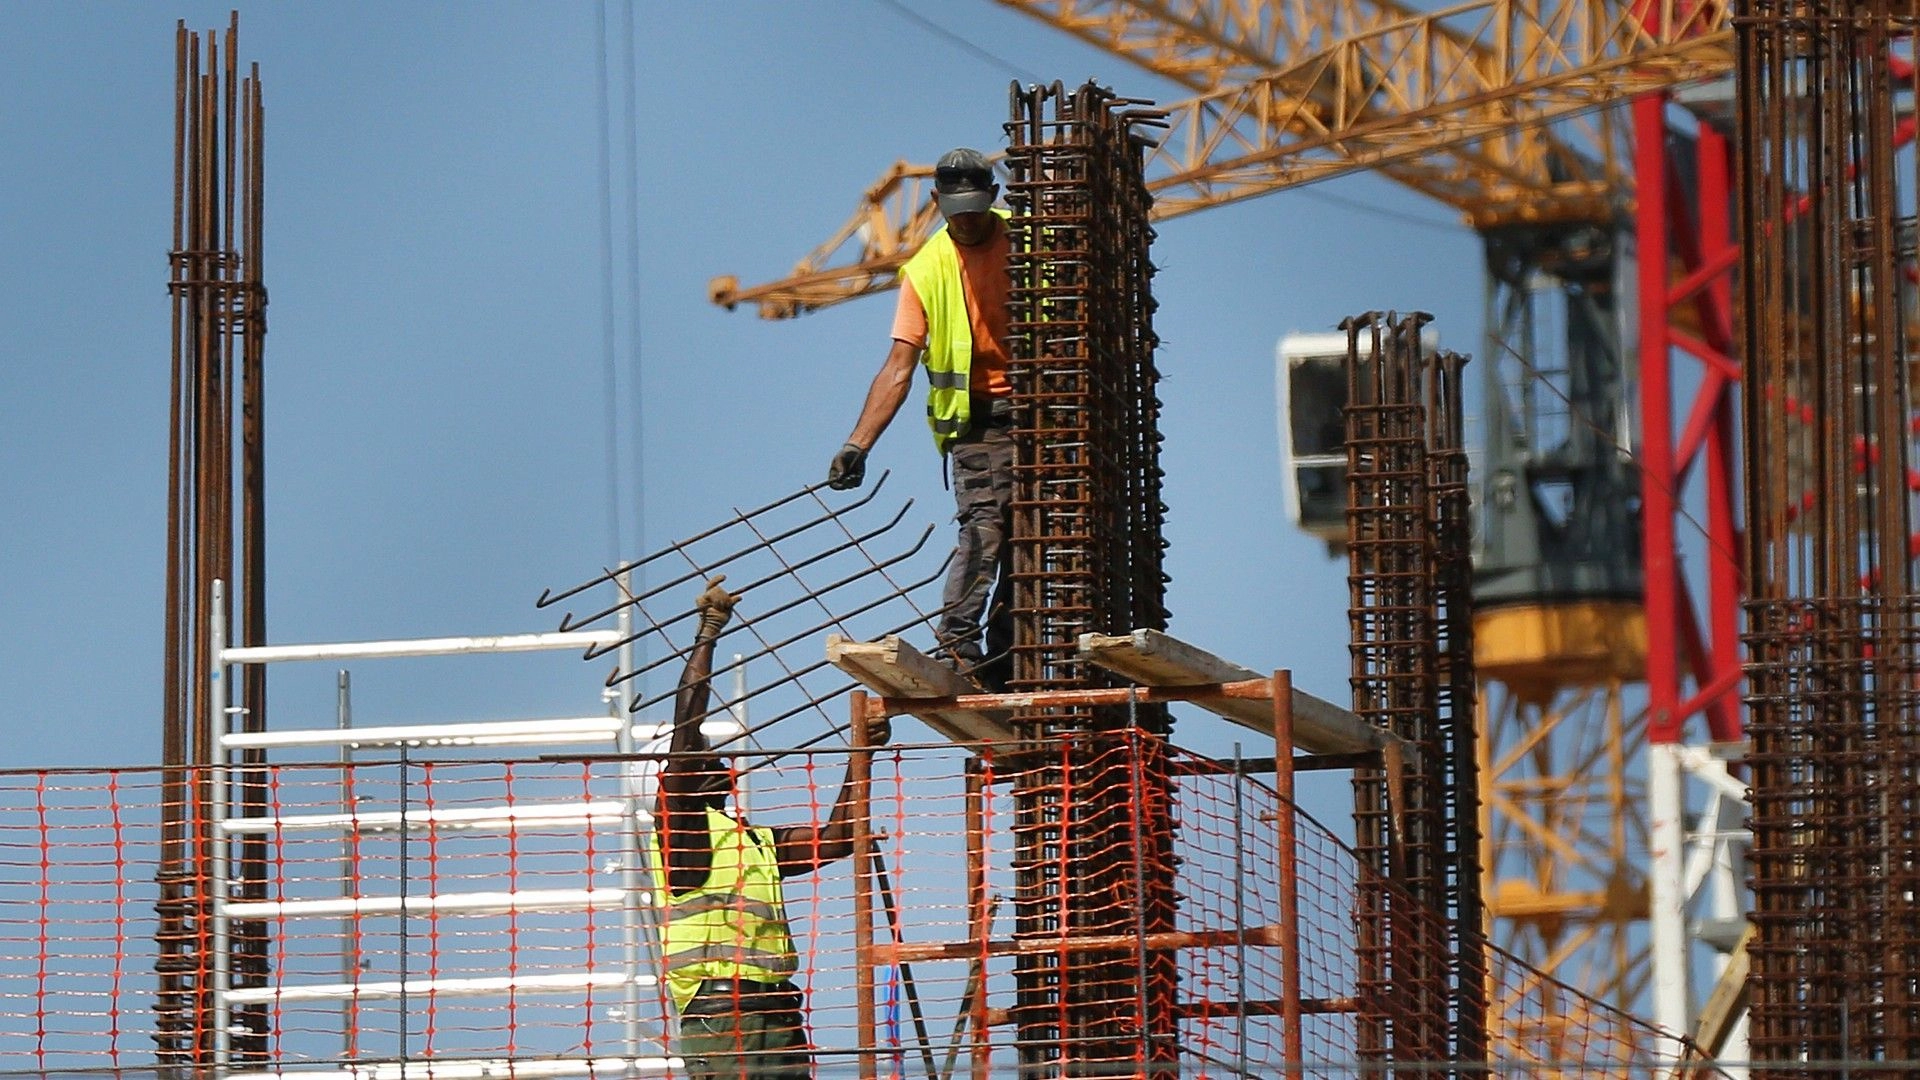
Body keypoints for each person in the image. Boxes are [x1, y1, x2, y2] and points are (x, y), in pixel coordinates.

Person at [645, 576, 892, 1080]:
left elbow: (838, 839)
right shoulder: (681, 834)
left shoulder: (750, 841)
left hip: (778, 1015)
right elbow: (686, 727)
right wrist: (708, 632)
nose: (718, 762)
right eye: (701, 759)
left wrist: (861, 753)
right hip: (721, 1018)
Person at [826, 146, 1015, 692]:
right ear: (936, 202)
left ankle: (1008, 658)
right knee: (985, 531)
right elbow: (897, 368)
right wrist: (858, 444)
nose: (967, 218)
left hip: (1048, 417)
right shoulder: (926, 269)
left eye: (977, 206)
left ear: (994, 198)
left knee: (1037, 542)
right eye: (956, 208)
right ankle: (959, 648)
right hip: (979, 424)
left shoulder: (1032, 241)